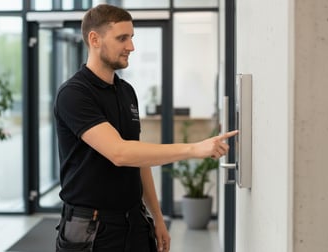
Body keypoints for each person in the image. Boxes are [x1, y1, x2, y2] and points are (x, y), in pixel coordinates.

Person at [54, 4, 238, 252]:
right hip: (91, 230)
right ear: (94, 39)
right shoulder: (74, 94)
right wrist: (194, 148)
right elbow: (120, 153)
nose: (131, 47)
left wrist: (158, 218)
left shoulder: (126, 92)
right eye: (122, 38)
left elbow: (138, 159)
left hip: (135, 222)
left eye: (131, 38)